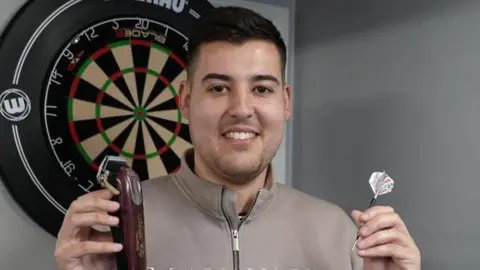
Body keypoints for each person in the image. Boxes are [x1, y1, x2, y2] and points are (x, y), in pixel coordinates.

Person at [54, 6, 421, 270]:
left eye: (261, 89)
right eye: (218, 88)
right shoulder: (115, 234)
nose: (242, 108)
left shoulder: (340, 234)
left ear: (286, 101)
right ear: (185, 100)